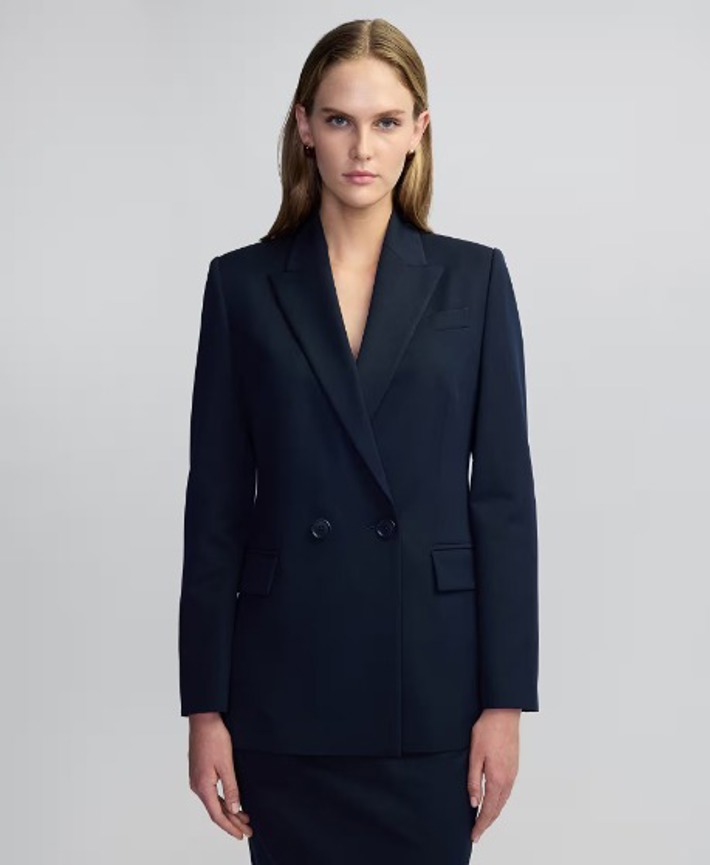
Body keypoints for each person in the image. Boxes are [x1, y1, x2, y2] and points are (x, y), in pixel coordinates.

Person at [178, 17, 539, 865]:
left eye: (385, 121)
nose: (362, 147)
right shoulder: (241, 285)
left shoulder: (474, 280)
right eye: (339, 119)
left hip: (430, 686)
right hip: (285, 687)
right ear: (304, 126)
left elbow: (503, 503)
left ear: (419, 131)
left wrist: (505, 701)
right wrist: (205, 706)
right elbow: (216, 508)